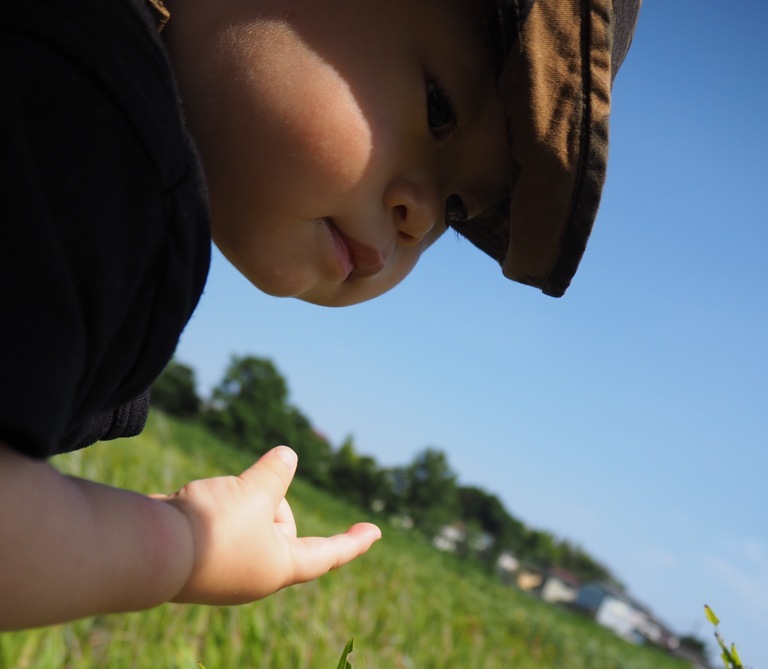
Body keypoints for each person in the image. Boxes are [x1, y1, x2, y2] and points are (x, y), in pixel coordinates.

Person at [0, 0, 640, 630]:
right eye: (438, 109)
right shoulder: (99, 132)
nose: (417, 218)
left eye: (454, 208)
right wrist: (186, 547)